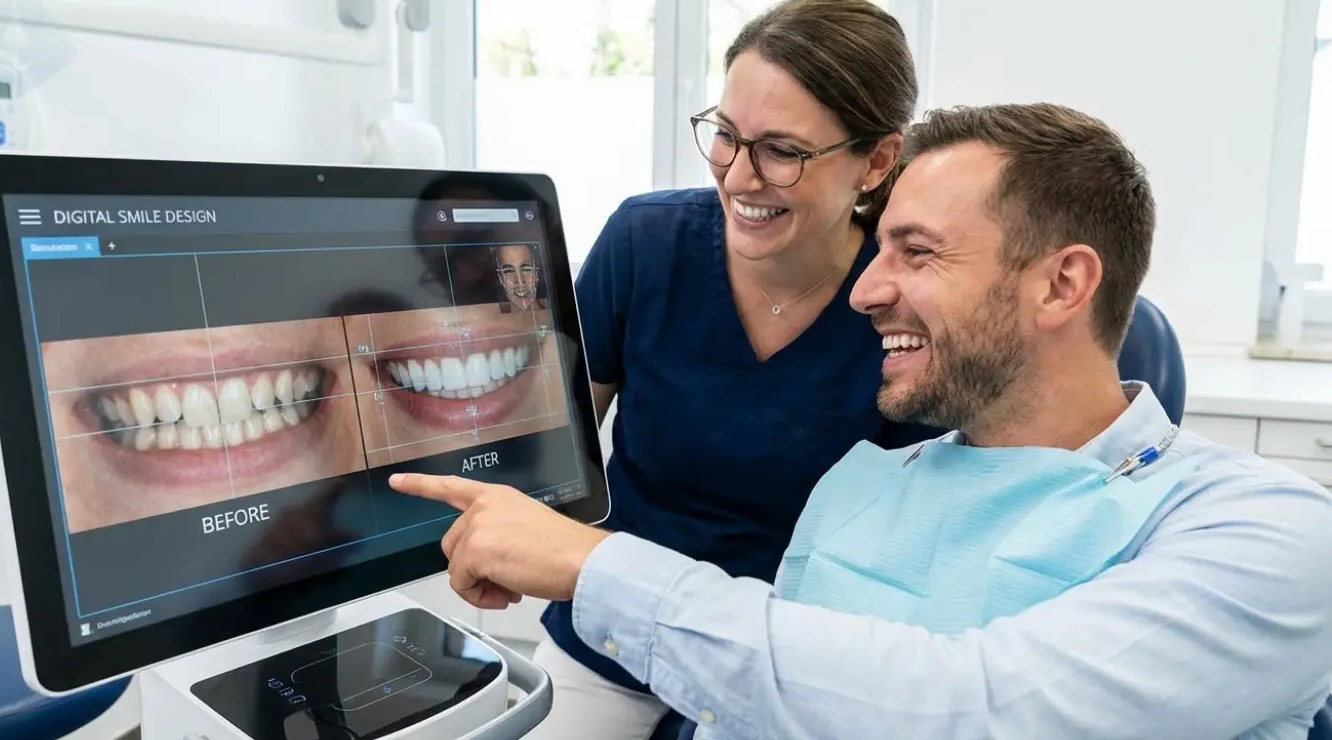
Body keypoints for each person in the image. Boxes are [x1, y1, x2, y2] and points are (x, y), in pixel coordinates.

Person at [391, 102, 1332, 739]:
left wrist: (590, 564)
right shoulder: (861, 486)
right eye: (877, 250)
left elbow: (974, 710)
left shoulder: (1262, 529)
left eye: (915, 253)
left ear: (1063, 283)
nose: (867, 291)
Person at [494, 0, 938, 737]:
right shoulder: (647, 242)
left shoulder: (905, 306)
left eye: (782, 151)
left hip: (787, 662)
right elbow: (551, 456)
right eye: (726, 135)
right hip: (612, 636)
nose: (737, 175)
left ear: (877, 160)